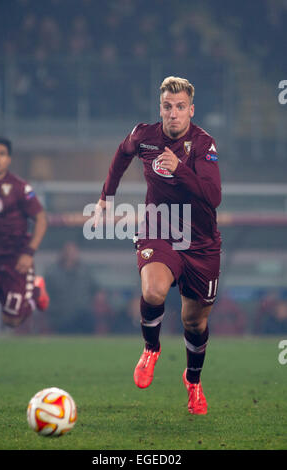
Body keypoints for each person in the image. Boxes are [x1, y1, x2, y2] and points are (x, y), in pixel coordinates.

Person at [94, 76, 222, 415]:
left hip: (201, 242)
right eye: (168, 107)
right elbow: (122, 155)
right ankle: (151, 349)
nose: (174, 113)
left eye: (181, 107)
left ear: (191, 111)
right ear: (160, 108)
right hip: (159, 228)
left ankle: (193, 382)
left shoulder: (204, 145)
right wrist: (107, 195)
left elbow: (213, 197)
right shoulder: (144, 136)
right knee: (153, 292)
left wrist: (180, 169)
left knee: (194, 323)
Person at [0, 136, 49, 379]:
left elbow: (41, 219)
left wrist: (29, 252)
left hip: (15, 259)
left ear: (8, 159)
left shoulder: (20, 187)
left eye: (1, 153)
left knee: (12, 321)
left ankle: (35, 292)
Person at [44, 242, 97, 334]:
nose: (70, 255)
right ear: (62, 253)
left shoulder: (85, 271)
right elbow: (44, 294)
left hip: (83, 316)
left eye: (73, 252)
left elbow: (96, 290)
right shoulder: (51, 273)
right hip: (60, 318)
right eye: (67, 252)